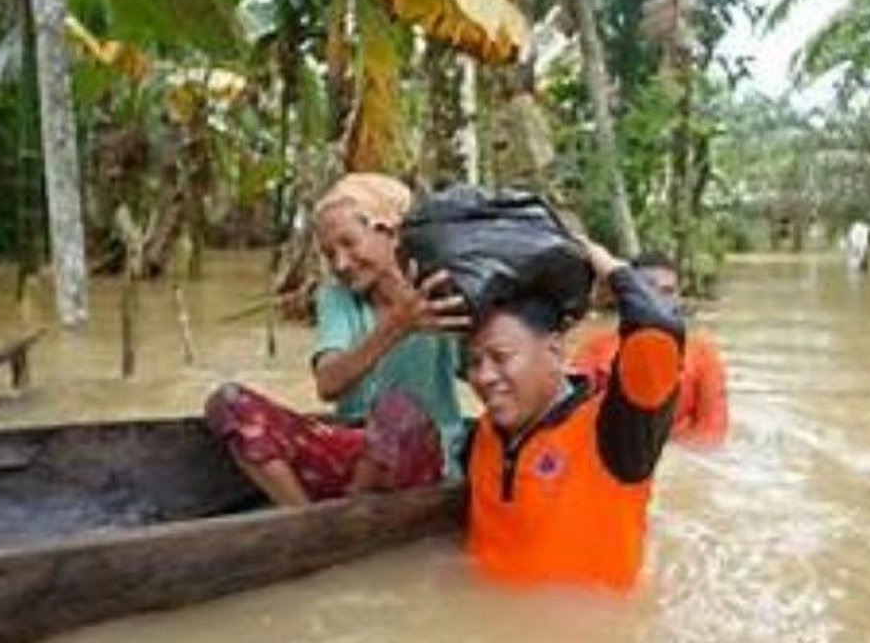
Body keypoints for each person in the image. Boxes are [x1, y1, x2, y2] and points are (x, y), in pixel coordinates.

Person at [204, 173, 469, 506]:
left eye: (349, 243)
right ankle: (307, 520)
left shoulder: (438, 293)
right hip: (352, 450)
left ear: (390, 232)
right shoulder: (337, 297)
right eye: (330, 254)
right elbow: (329, 383)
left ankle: (344, 513)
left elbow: (482, 370)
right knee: (227, 402)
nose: (341, 263)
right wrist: (397, 326)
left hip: (421, 457)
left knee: (398, 412)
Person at [463, 241, 683, 590]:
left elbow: (658, 330)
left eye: (500, 357)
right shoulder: (483, 434)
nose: (484, 377)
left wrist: (609, 267)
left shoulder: (616, 434)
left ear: (554, 350)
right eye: (474, 362)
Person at [570, 251, 728, 448]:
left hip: (678, 453)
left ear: (678, 298)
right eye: (648, 290)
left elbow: (712, 435)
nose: (658, 301)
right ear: (630, 296)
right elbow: (571, 415)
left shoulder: (704, 356)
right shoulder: (595, 350)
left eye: (667, 291)